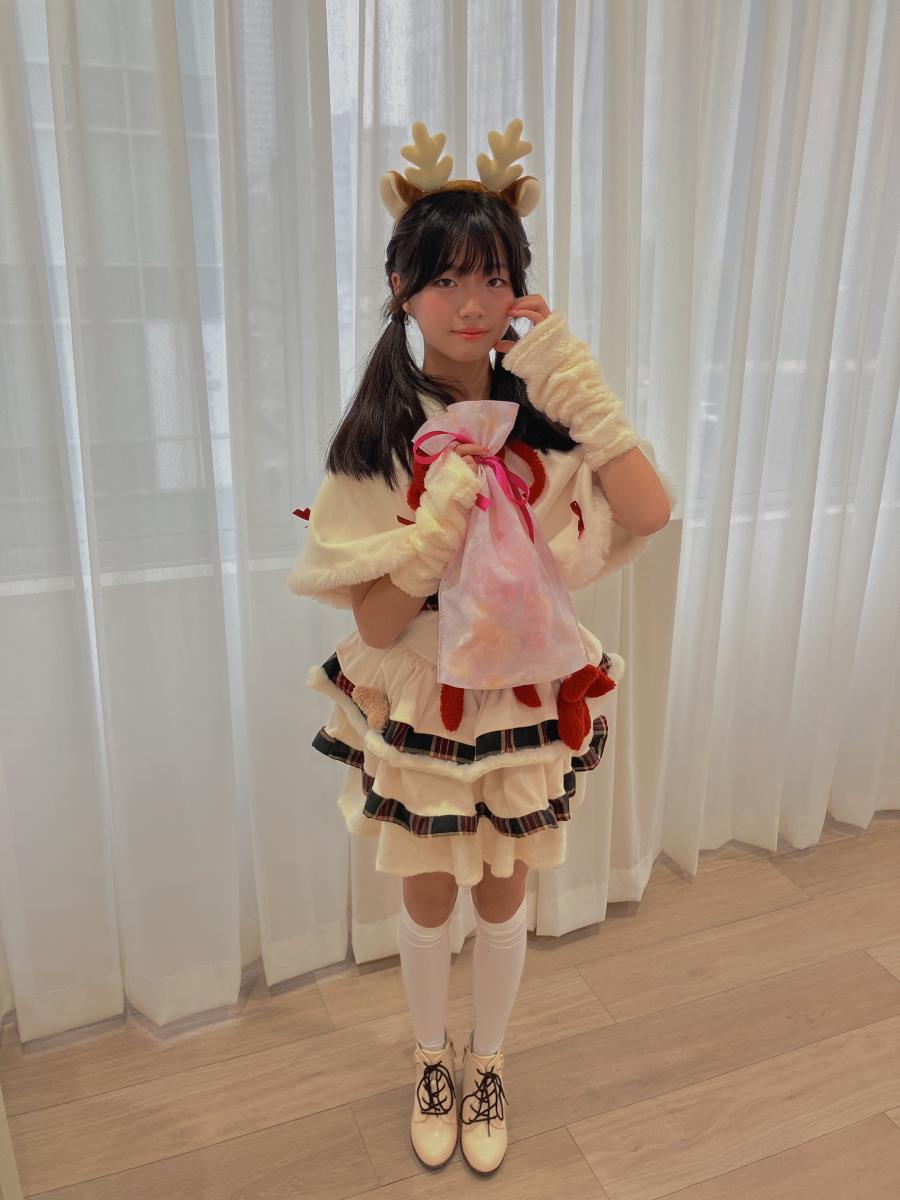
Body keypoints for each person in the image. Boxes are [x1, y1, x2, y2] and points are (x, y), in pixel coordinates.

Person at [288, 120, 677, 1176]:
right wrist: (428, 543)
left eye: (494, 277)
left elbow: (649, 509)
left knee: (505, 886)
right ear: (402, 290)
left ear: (520, 291)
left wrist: (571, 382)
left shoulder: (546, 411)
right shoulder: (377, 436)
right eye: (446, 277)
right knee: (425, 893)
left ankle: (488, 1060)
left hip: (519, 689)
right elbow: (374, 624)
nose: (471, 302)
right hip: (425, 688)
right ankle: (432, 1059)